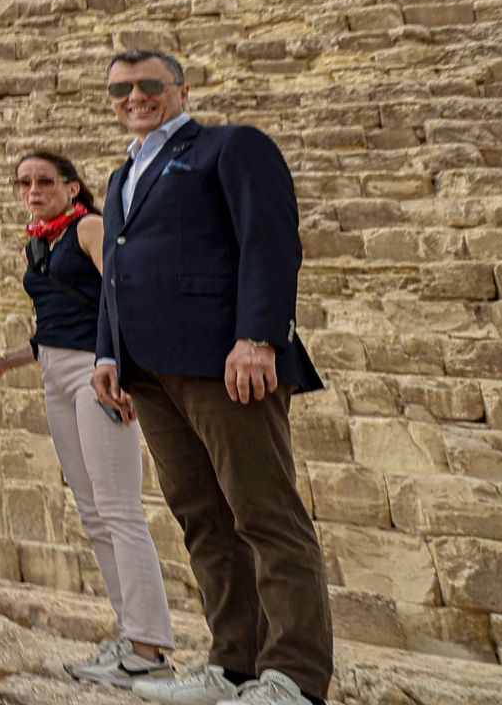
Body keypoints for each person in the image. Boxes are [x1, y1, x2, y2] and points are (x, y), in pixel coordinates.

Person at [90, 50, 331, 705]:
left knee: (265, 515)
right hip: (148, 369)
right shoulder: (121, 177)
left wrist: (258, 338)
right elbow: (116, 271)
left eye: (148, 85)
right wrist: (107, 354)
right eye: (119, 89)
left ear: (181, 89)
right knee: (203, 518)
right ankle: (234, 666)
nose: (133, 97)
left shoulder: (231, 147)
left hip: (225, 362)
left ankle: (295, 678)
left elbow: (270, 241)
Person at [0, 150, 174, 687]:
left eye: (44, 181)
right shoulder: (41, 241)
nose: (32, 190)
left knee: (119, 508)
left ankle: (149, 647)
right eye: (23, 182)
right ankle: (132, 635)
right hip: (57, 373)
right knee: (92, 512)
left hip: (95, 371)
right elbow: (54, 324)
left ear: (72, 186)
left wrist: (120, 368)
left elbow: (120, 296)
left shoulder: (89, 228)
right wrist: (4, 363)